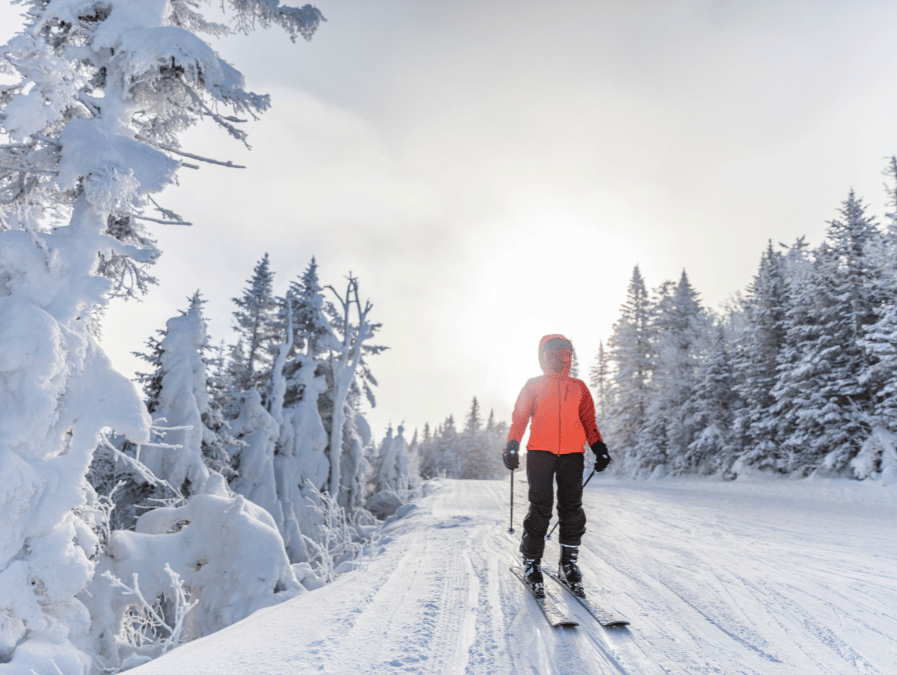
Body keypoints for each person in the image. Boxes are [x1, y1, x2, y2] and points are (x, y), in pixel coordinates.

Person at [502, 334, 611, 598]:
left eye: (564, 355)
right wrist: (512, 445)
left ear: (570, 357)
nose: (559, 360)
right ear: (543, 357)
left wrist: (599, 447)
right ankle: (531, 562)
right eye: (553, 355)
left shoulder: (579, 387)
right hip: (540, 453)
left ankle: (568, 564)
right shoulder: (533, 385)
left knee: (572, 508)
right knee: (541, 507)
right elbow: (519, 419)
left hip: (573, 454)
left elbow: (589, 422)